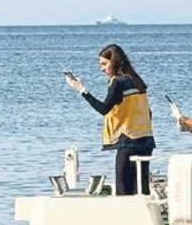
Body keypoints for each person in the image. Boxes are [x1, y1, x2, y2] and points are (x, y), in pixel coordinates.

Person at [65, 43, 155, 196]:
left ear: (115, 61)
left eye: (104, 64)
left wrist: (81, 90)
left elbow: (103, 109)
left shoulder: (118, 82)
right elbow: (149, 113)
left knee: (123, 190)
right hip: (146, 140)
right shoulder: (137, 80)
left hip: (129, 140)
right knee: (141, 187)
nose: (102, 69)